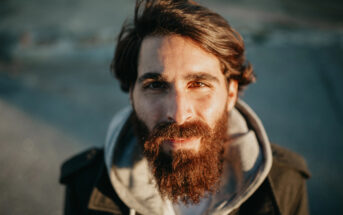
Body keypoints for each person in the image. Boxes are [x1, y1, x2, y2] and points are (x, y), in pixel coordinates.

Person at [60, 0, 310, 214]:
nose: (178, 115)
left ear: (231, 93)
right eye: (156, 85)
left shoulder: (283, 185)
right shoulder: (85, 185)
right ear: (131, 95)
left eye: (199, 84)